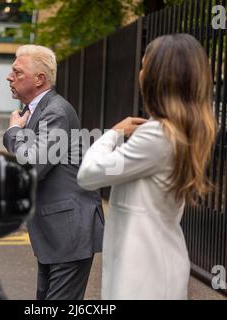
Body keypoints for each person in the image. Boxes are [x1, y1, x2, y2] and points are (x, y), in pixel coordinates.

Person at [77, 34, 217, 300]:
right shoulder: (177, 131)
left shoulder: (157, 136)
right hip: (153, 268)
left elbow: (88, 175)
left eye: (144, 66)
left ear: (159, 77)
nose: (140, 73)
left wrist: (114, 133)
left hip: (144, 277)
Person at [3, 44, 104, 300]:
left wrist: (13, 132)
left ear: (39, 79)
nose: (9, 77)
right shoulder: (38, 111)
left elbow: (33, 165)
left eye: (17, 72)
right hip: (55, 233)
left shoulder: (55, 111)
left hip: (68, 233)